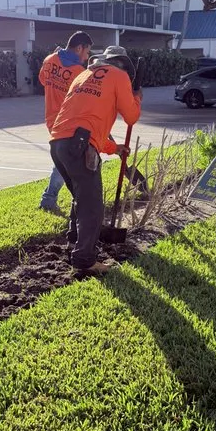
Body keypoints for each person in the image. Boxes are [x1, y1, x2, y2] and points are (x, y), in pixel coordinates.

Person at [49, 46, 142, 274]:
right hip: (79, 145)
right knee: (92, 206)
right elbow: (131, 116)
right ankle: (85, 261)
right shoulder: (119, 76)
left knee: (81, 197)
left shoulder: (83, 75)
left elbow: (85, 122)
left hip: (58, 143)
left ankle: (75, 240)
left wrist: (114, 148)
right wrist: (136, 97)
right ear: (123, 66)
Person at [38, 31, 93, 213]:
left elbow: (42, 80)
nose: (87, 57)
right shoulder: (80, 73)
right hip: (68, 122)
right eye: (86, 53)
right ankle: (49, 198)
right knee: (66, 160)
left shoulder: (49, 59)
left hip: (51, 119)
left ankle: (49, 198)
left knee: (62, 158)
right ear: (79, 48)